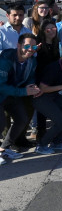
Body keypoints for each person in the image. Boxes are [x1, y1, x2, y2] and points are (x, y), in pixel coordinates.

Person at [0, 33, 42, 163]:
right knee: (0, 124)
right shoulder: (6, 58)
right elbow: (1, 86)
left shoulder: (32, 60)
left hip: (13, 94)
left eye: (34, 47)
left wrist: (33, 87)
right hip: (3, 93)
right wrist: (24, 91)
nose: (30, 49)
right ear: (18, 45)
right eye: (27, 46)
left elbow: (30, 77)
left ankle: (4, 148)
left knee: (22, 119)